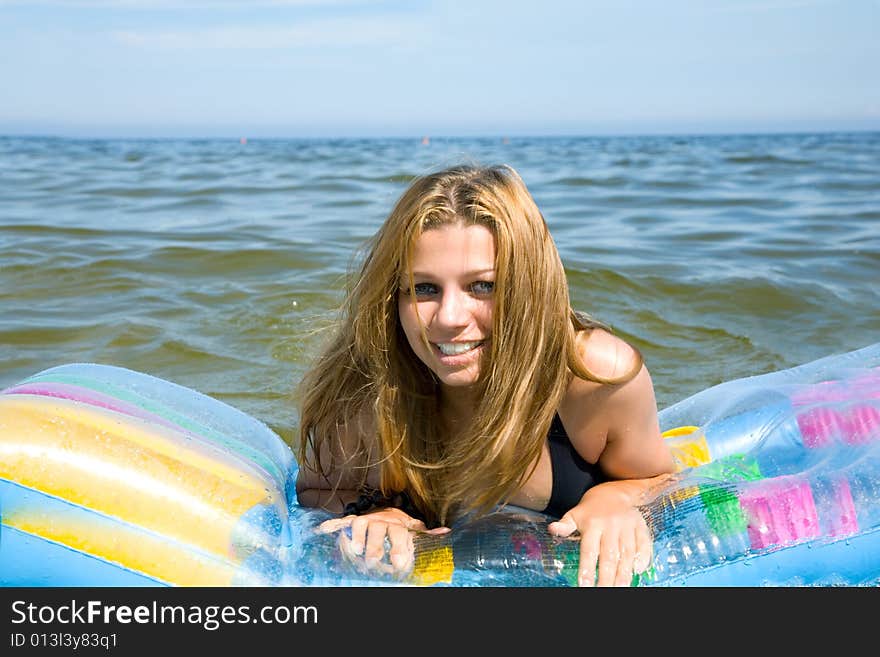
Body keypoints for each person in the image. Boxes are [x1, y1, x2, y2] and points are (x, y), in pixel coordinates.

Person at [295, 163, 675, 587]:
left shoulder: (594, 379)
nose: (449, 318)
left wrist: (612, 497)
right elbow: (316, 497)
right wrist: (378, 514)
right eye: (423, 289)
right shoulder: (365, 389)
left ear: (529, 287)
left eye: (482, 286)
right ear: (392, 296)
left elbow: (660, 481)